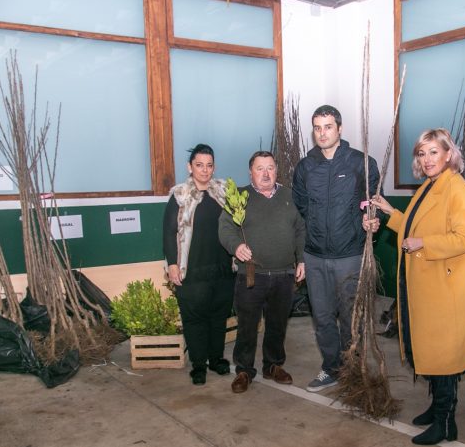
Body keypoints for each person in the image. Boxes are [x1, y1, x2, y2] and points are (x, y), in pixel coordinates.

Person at [365, 128, 465, 445]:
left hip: (445, 290)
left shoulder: (459, 192)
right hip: (428, 286)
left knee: (444, 358)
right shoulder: (431, 187)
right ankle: (437, 409)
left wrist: (422, 244)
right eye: (422, 153)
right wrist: (391, 213)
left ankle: (445, 423)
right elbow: (415, 226)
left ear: (448, 154)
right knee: (431, 353)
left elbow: (464, 239)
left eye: (433, 152)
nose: (427, 159)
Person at [292, 105, 381, 392]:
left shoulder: (361, 163)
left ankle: (352, 367)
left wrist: (371, 221)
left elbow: (372, 203)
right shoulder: (306, 166)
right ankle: (331, 368)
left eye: (328, 126)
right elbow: (301, 208)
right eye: (317, 127)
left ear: (340, 128)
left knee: (351, 315)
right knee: (322, 316)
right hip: (315, 254)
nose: (322, 133)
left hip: (349, 254)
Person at [219, 151, 306, 394]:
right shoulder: (239, 198)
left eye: (270, 168)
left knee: (277, 325)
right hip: (251, 277)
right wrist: (236, 246)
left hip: (284, 275)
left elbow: (301, 230)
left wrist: (301, 259)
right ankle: (244, 370)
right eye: (260, 168)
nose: (266, 173)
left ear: (276, 171)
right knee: (247, 326)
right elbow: (225, 228)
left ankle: (274, 365)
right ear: (251, 172)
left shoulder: (290, 196)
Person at [163, 144, 234, 386]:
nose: (205, 170)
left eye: (209, 165)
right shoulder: (180, 195)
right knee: (195, 319)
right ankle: (198, 365)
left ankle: (216, 359)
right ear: (190, 167)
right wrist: (172, 264)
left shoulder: (224, 193)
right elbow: (169, 232)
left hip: (223, 268)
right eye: (199, 165)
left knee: (218, 316)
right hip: (192, 270)